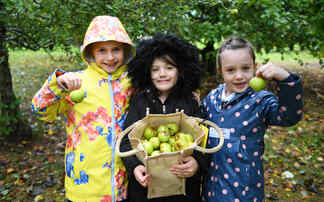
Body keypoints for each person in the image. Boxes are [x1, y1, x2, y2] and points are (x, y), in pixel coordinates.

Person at [31, 16, 135, 202]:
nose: (110, 57)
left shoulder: (132, 82)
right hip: (84, 187)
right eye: (102, 50)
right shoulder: (74, 83)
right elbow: (40, 111)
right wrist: (56, 86)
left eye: (116, 50)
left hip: (125, 184)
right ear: (90, 53)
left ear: (125, 50)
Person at [200, 36, 304, 202]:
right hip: (212, 188)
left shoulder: (260, 101)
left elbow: (289, 117)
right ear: (220, 71)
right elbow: (196, 125)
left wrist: (285, 79)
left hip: (244, 191)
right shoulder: (212, 99)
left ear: (255, 68)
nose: (239, 76)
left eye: (245, 68)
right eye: (231, 70)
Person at [120, 33, 208, 202]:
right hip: (146, 189)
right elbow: (125, 141)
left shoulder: (189, 101)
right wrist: (135, 167)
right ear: (146, 72)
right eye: (155, 69)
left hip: (183, 189)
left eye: (169, 68)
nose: (162, 74)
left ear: (181, 70)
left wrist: (197, 163)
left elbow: (203, 139)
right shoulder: (139, 101)